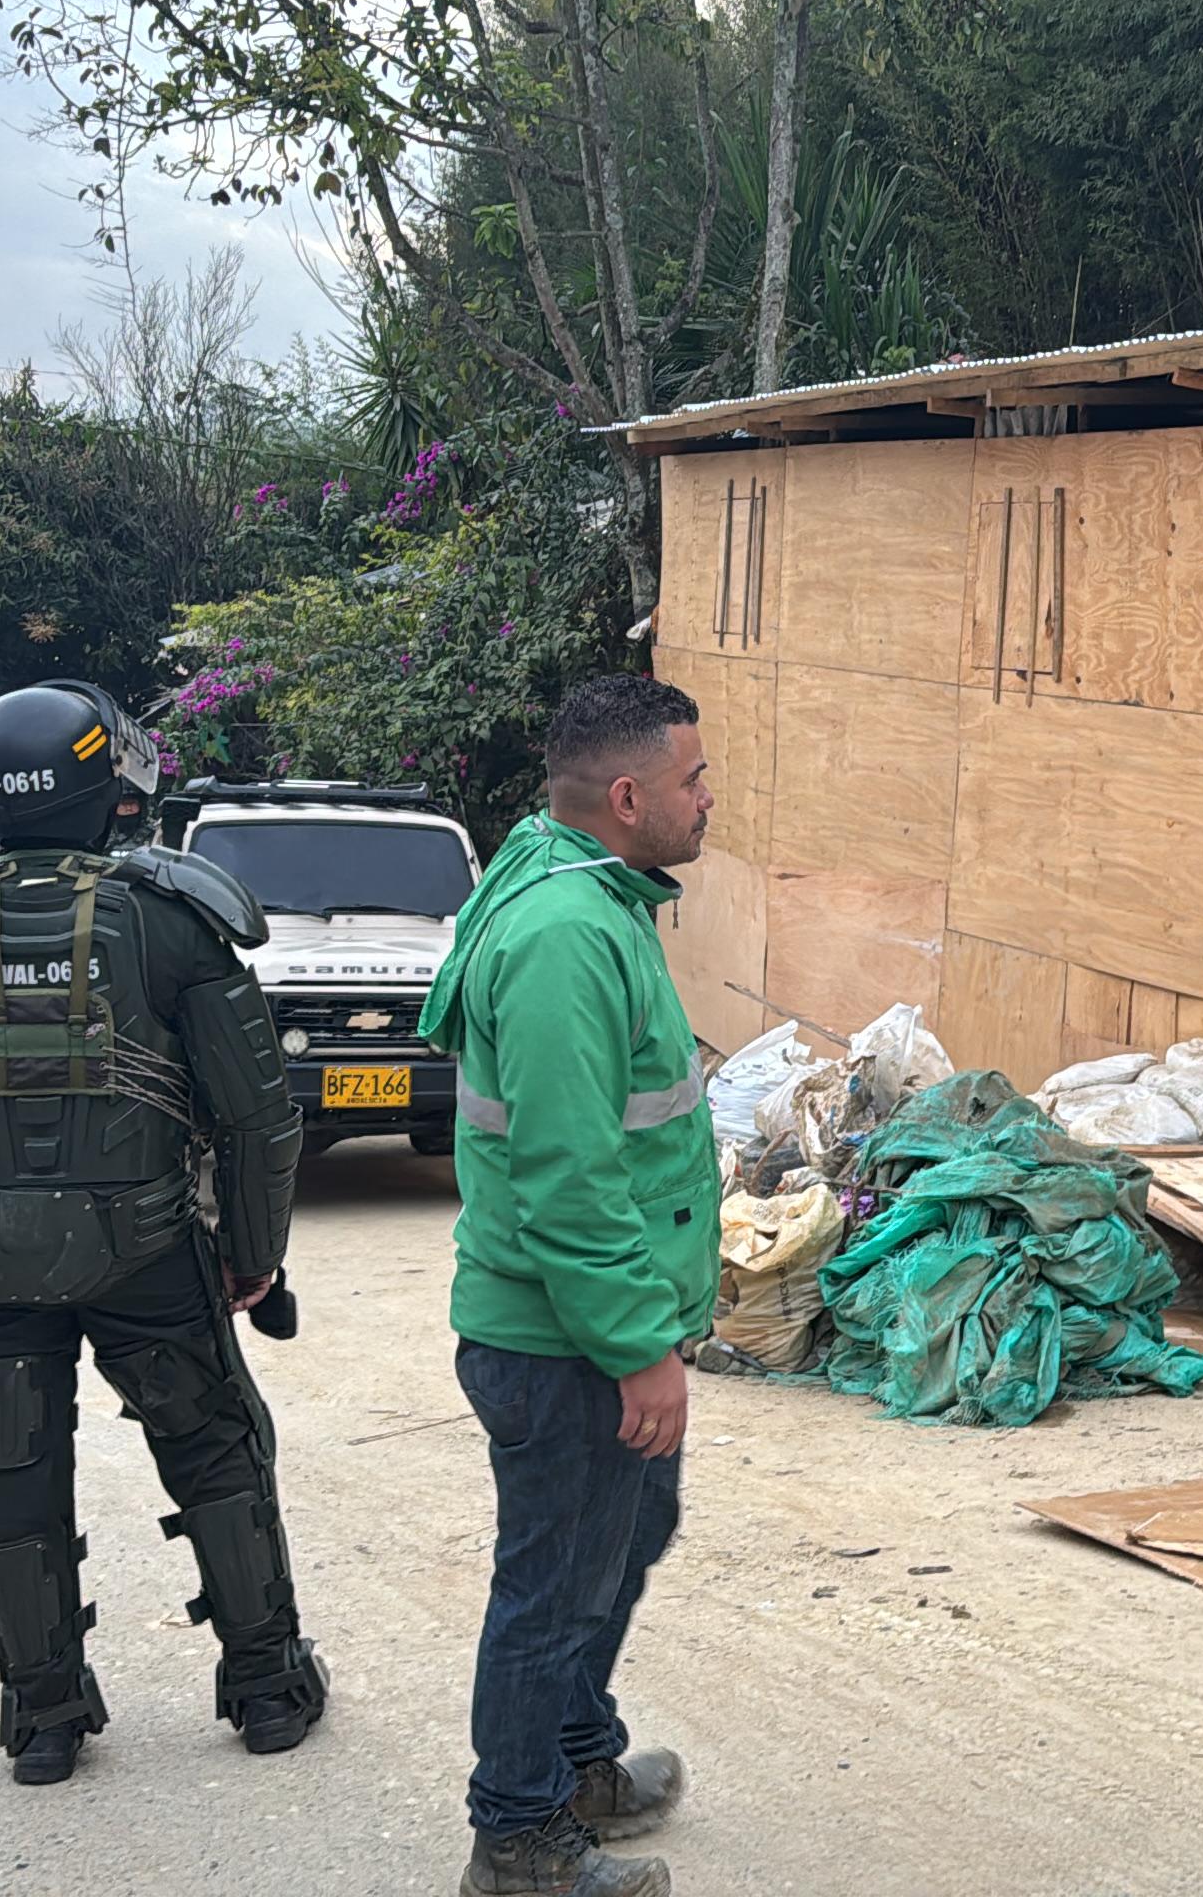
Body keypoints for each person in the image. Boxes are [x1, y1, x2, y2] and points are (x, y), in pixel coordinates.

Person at [0, 680, 316, 1785]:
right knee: (215, 1452)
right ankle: (268, 1689)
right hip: (151, 1249)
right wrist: (255, 1251)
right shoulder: (172, 915)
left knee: (8, 1475)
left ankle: (43, 1718)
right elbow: (257, 1114)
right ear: (108, 788)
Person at [424, 675, 718, 1897]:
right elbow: (566, 1173)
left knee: (622, 1540)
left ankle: (578, 1758)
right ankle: (521, 1836)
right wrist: (639, 1347)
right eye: (695, 780)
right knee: (554, 1584)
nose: (711, 801)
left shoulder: (580, 885)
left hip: (586, 1331)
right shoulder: (563, 936)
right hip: (566, 1346)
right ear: (631, 794)